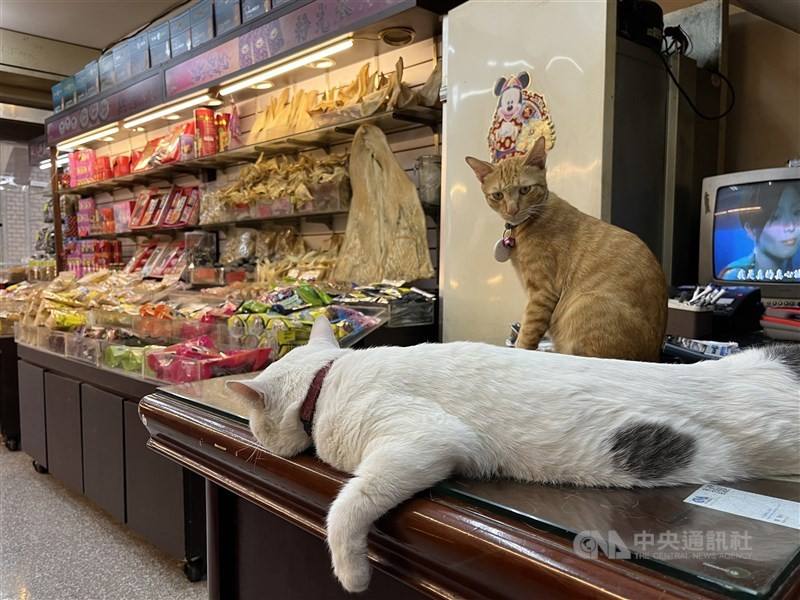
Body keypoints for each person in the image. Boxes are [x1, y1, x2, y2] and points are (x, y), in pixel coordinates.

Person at [720, 182, 800, 281]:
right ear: (750, 230)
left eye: (796, 212)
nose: (791, 226)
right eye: (775, 217)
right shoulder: (735, 275)